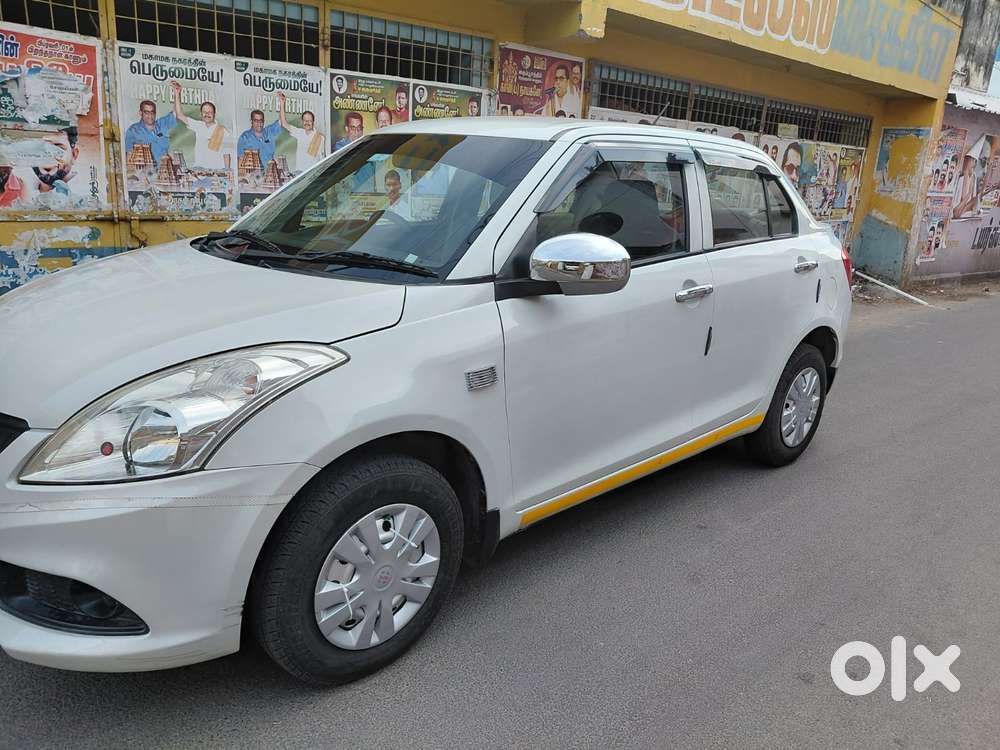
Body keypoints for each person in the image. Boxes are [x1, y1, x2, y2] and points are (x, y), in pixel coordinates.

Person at [170, 81, 231, 171]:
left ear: (214, 114)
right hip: (199, 171)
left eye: (210, 112)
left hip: (216, 174)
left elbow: (227, 154)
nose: (207, 114)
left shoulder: (222, 130)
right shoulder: (198, 125)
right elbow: (179, 115)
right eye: (204, 112)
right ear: (201, 114)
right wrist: (177, 93)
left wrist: (227, 172)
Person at [276, 91, 325, 171]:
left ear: (313, 122)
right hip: (299, 173)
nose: (307, 123)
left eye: (309, 121)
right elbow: (284, 123)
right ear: (302, 122)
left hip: (313, 173)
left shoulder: (320, 137)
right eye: (305, 120)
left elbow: (322, 158)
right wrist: (282, 103)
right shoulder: (299, 132)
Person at [124, 99, 176, 167]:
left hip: (165, 172)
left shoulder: (161, 124)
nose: (150, 116)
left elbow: (176, 112)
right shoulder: (133, 131)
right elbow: (129, 157)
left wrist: (177, 94)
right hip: (144, 173)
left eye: (152, 112)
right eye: (147, 112)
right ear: (140, 113)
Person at [953, 153, 984, 219]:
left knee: (976, 198)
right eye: (971, 160)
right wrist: (969, 192)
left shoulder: (973, 177)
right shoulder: (962, 178)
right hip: (958, 210)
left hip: (967, 211)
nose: (973, 163)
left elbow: (974, 198)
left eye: (974, 161)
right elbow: (956, 211)